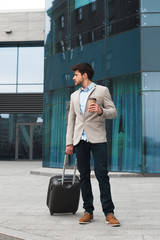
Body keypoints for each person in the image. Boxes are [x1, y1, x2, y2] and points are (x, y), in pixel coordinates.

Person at [65, 62, 120, 227]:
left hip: (98, 139)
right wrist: (69, 143)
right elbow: (71, 120)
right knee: (83, 176)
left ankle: (109, 212)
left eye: (76, 74)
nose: (74, 77)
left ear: (84, 75)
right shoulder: (74, 96)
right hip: (80, 140)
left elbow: (113, 112)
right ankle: (88, 211)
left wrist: (101, 111)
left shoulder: (102, 91)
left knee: (102, 175)